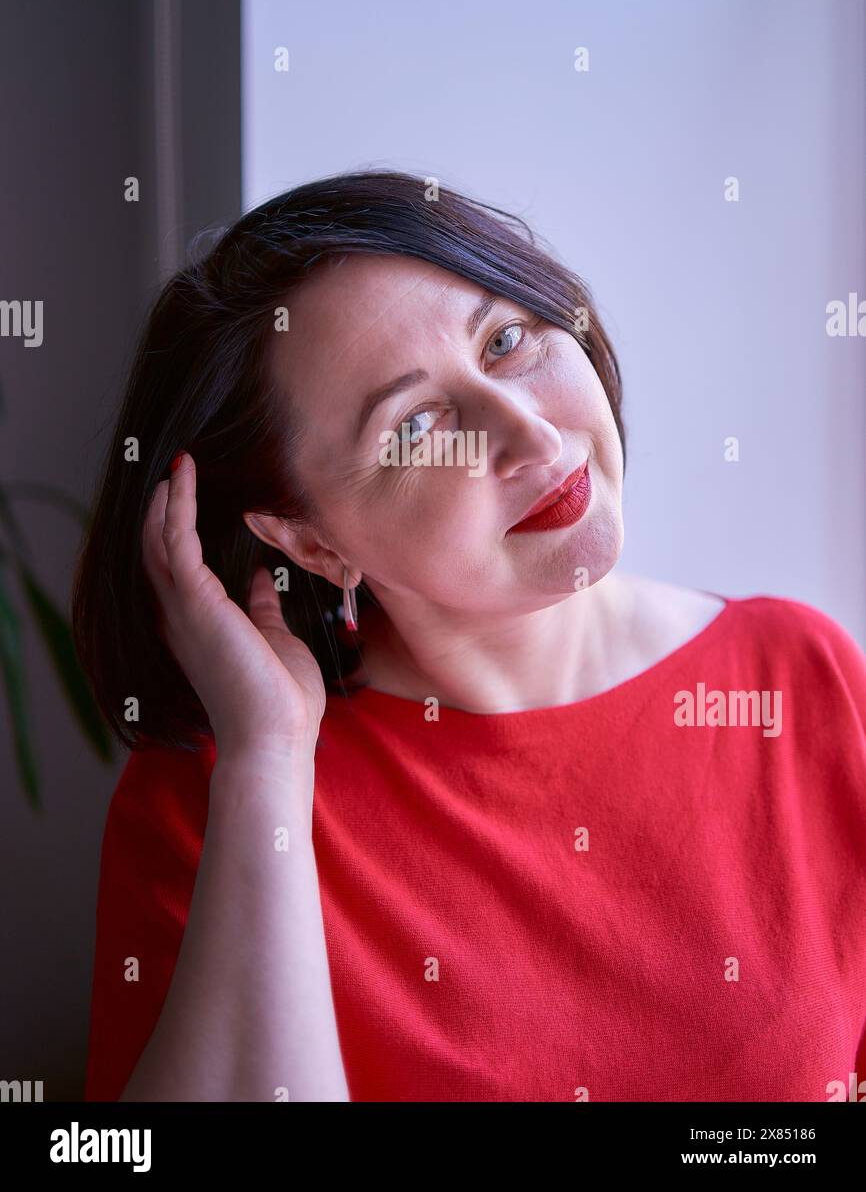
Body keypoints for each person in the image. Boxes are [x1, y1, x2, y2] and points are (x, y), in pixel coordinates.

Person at [74, 168, 866, 1102]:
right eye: (415, 430)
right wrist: (268, 765)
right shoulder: (215, 792)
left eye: (506, 339)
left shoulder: (801, 677)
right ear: (312, 542)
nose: (530, 434)